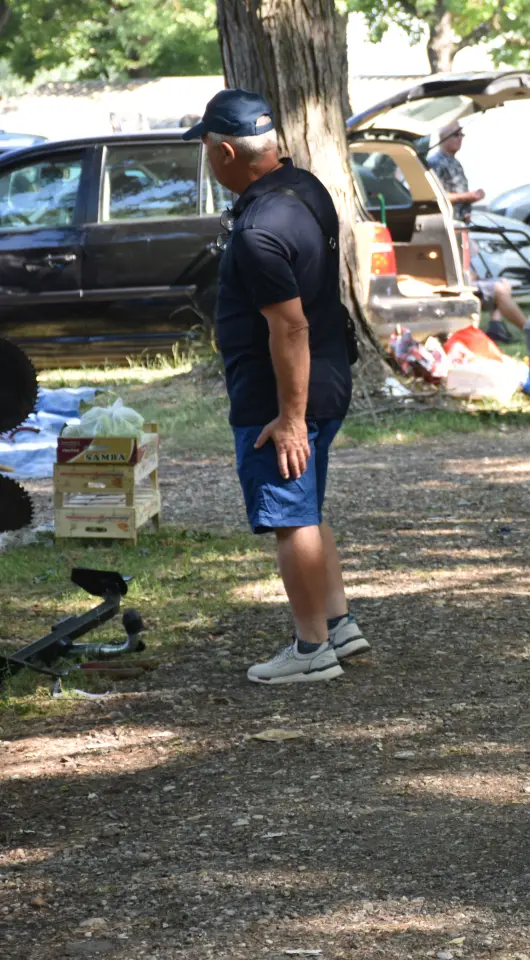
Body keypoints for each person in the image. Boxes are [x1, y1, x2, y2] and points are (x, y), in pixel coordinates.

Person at [186, 89, 366, 684]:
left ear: (229, 151)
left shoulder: (260, 228)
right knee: (306, 509)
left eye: (209, 151)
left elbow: (289, 327)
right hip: (329, 377)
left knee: (291, 520)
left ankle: (312, 649)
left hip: (283, 397)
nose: (209, 163)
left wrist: (289, 419)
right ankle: (338, 624)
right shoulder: (306, 188)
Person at [425, 122, 520, 344]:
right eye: (457, 135)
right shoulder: (436, 163)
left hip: (463, 227)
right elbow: (438, 197)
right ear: (444, 138)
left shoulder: (454, 162)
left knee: (483, 274)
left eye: (462, 134)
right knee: (469, 279)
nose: (461, 139)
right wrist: (470, 196)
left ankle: (495, 324)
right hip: (450, 231)